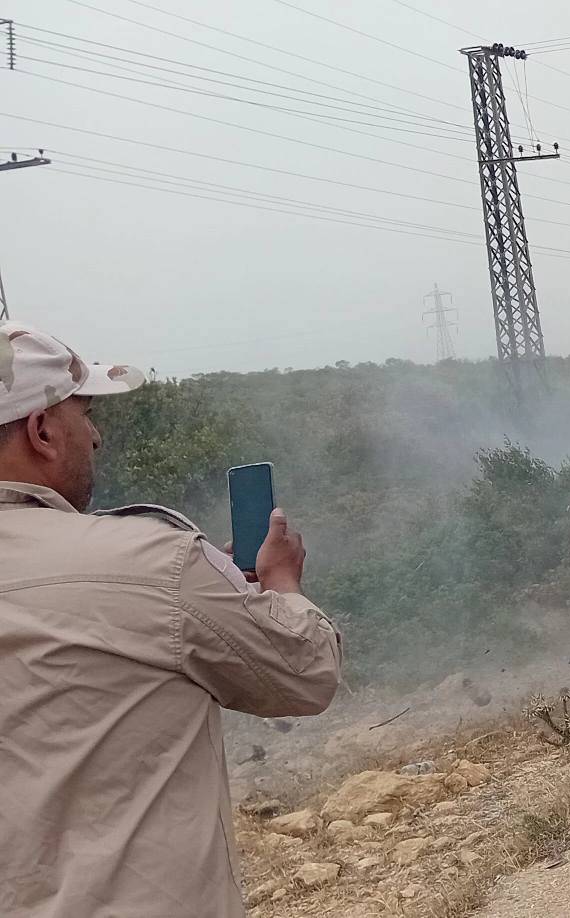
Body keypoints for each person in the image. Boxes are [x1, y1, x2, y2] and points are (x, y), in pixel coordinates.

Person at [0, 323, 343, 917]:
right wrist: (281, 583)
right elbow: (304, 672)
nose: (95, 436)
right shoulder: (155, 563)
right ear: (42, 431)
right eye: (84, 413)